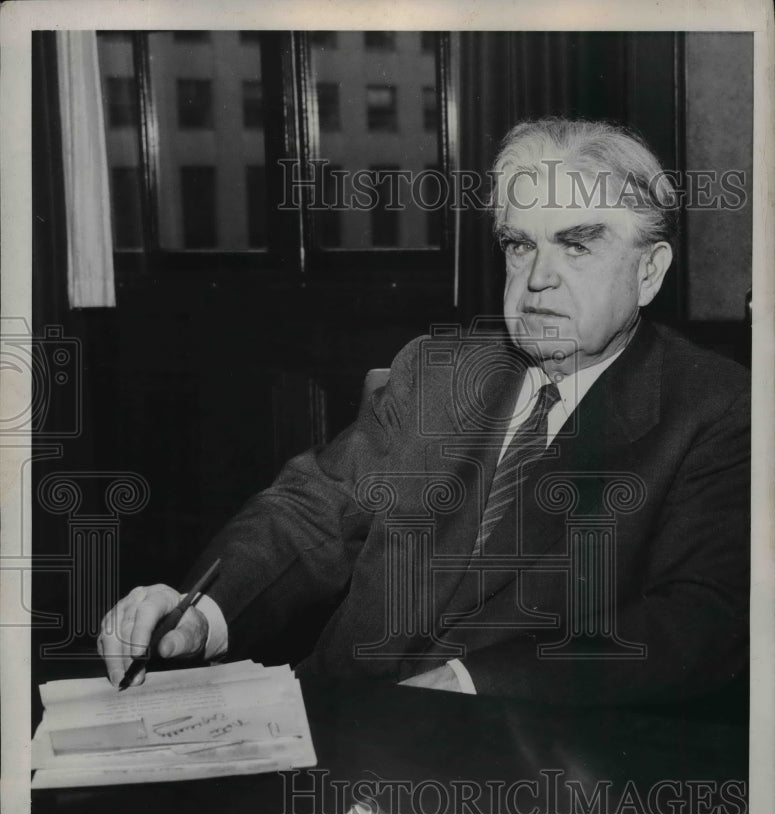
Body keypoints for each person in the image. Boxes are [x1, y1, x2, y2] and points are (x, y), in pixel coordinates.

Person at [99, 118, 750, 705]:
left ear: (648, 272)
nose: (537, 277)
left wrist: (474, 684)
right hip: (334, 721)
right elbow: (313, 511)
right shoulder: (435, 370)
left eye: (576, 246)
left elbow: (698, 621)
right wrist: (198, 612)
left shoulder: (713, 410)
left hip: (527, 759)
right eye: (519, 245)